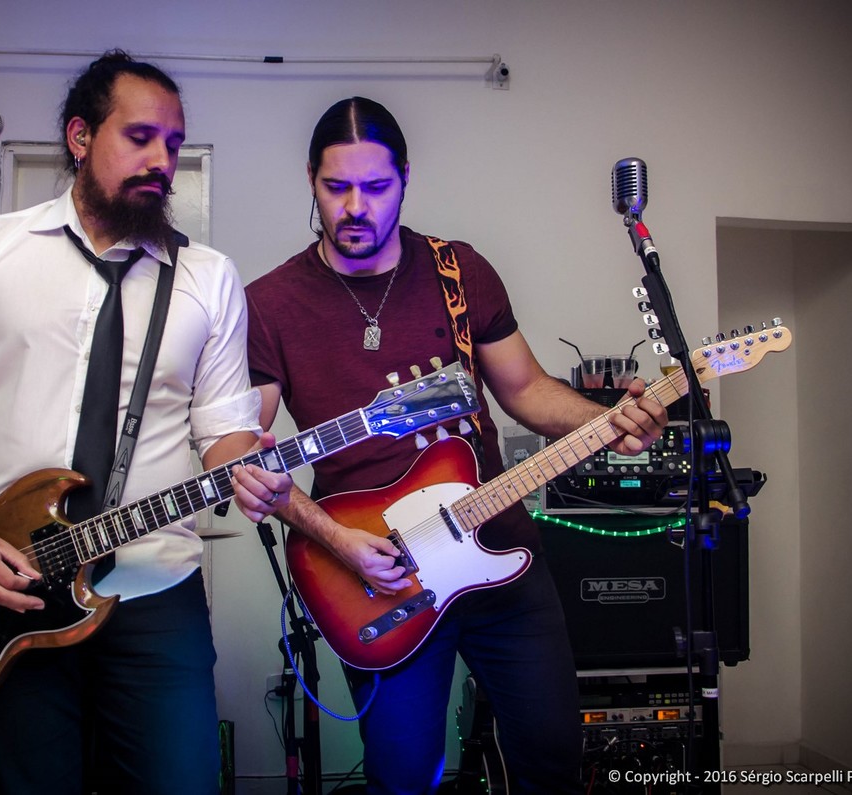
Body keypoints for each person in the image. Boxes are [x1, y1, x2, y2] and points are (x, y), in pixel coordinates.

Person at [0, 50, 292, 794]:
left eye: (173, 144)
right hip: (4, 592)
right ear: (80, 136)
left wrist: (248, 469)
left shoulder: (209, 277)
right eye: (140, 137)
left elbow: (222, 428)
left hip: (155, 591)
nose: (161, 161)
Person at [245, 96, 669, 794]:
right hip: (379, 575)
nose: (355, 207)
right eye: (336, 186)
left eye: (376, 187)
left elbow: (526, 389)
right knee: (405, 776)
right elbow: (249, 459)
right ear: (311, 179)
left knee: (553, 755)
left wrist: (606, 419)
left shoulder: (459, 271)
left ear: (406, 177)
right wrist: (335, 539)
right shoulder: (270, 304)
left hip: (500, 548)